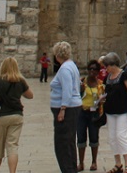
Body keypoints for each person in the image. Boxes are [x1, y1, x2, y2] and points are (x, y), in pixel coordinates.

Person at [0, 56, 34, 173]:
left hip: (0, 117)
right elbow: (30, 95)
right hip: (16, 116)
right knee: (12, 147)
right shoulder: (21, 81)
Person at [50, 40, 82, 173]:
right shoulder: (71, 65)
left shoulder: (64, 69)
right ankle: (71, 168)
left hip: (67, 109)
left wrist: (63, 109)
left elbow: (67, 90)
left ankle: (68, 169)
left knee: (62, 143)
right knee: (68, 141)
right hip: (72, 107)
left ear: (57, 55)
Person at [101, 52, 127, 173]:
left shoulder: (125, 75)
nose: (106, 69)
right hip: (110, 111)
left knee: (121, 136)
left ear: (113, 65)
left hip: (122, 111)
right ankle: (118, 163)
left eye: (107, 66)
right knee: (112, 137)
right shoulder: (108, 78)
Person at [77, 60, 105, 172]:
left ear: (98, 71)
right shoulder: (81, 82)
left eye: (95, 69)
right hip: (82, 112)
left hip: (94, 113)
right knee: (80, 138)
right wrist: (80, 90)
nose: (92, 71)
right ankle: (81, 163)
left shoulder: (100, 84)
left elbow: (103, 98)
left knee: (94, 137)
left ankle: (94, 162)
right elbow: (75, 96)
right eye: (90, 69)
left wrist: (102, 101)